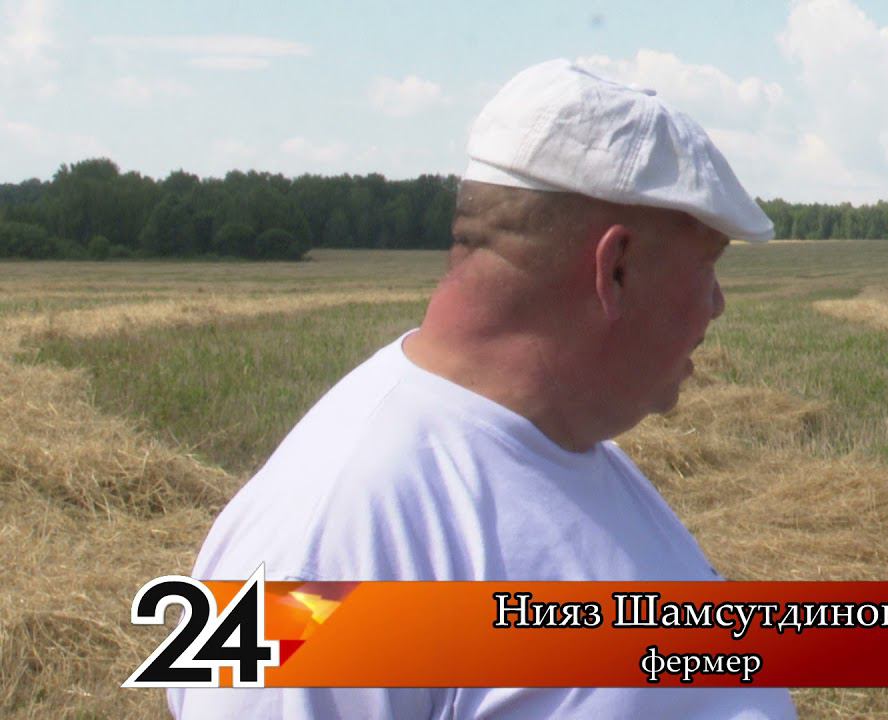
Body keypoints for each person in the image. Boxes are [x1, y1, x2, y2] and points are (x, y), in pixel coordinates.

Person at [169, 59, 796, 719]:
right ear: (616, 269)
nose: (717, 304)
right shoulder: (328, 538)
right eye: (707, 266)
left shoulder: (571, 450)